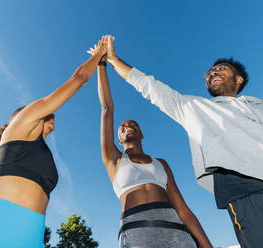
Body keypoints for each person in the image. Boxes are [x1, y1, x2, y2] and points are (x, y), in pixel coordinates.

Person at [104, 36, 263, 247]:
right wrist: (112, 59)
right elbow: (149, 86)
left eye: (220, 69)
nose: (212, 73)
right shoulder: (194, 108)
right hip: (251, 194)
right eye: (209, 73)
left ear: (238, 79)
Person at [0, 37, 108, 248]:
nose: (47, 109)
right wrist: (98, 54)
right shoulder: (20, 124)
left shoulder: (40, 150)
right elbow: (79, 79)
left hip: (31, 240)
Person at [88, 40, 212, 248]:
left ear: (142, 134)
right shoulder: (113, 160)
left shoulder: (161, 163)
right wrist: (101, 64)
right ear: (118, 138)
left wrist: (206, 245)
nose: (128, 126)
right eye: (123, 126)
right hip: (137, 234)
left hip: (175, 231)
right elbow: (107, 108)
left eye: (133, 124)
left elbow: (182, 208)